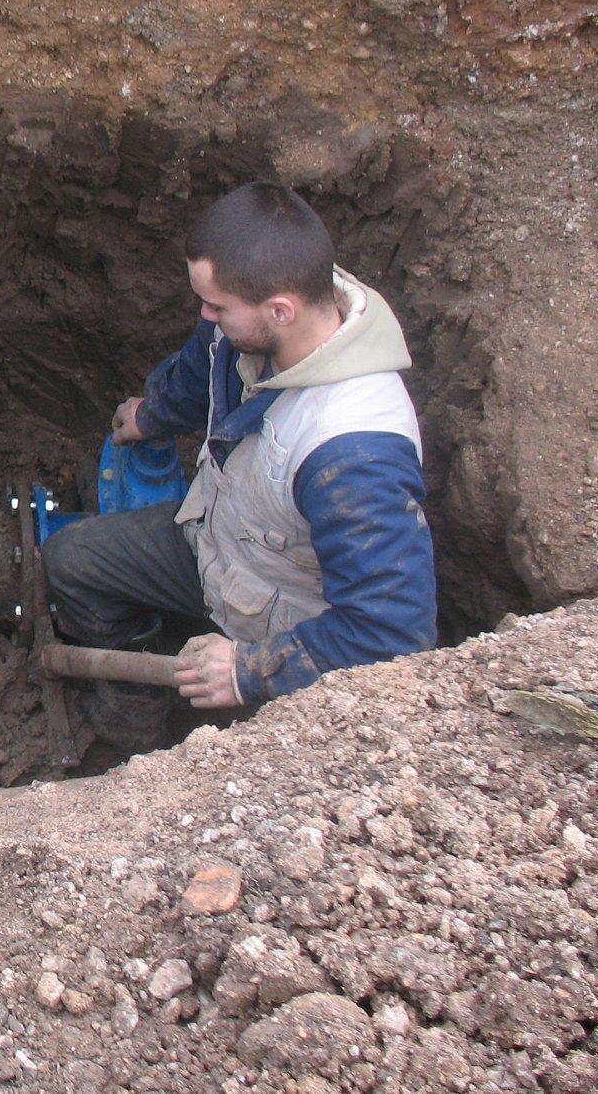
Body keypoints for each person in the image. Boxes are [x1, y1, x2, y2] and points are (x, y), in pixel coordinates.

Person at [44, 182, 436, 744]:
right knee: (70, 560)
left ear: (280, 310)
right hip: (217, 542)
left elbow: (392, 633)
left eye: (217, 307)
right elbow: (204, 367)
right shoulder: (261, 318)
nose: (205, 314)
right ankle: (136, 716)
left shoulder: (353, 454)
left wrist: (249, 671)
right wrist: (152, 416)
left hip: (287, 620)